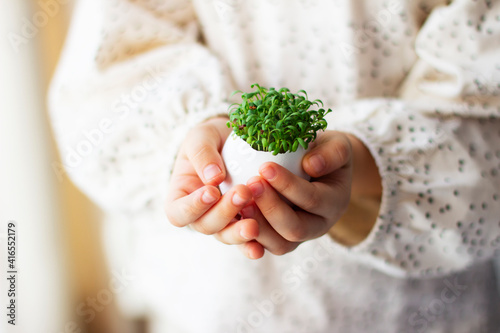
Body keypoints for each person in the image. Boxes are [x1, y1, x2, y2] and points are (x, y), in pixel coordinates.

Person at [49, 0, 500, 332]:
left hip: (419, 314)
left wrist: (357, 165)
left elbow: (484, 112)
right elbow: (109, 72)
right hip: (209, 309)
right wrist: (193, 138)